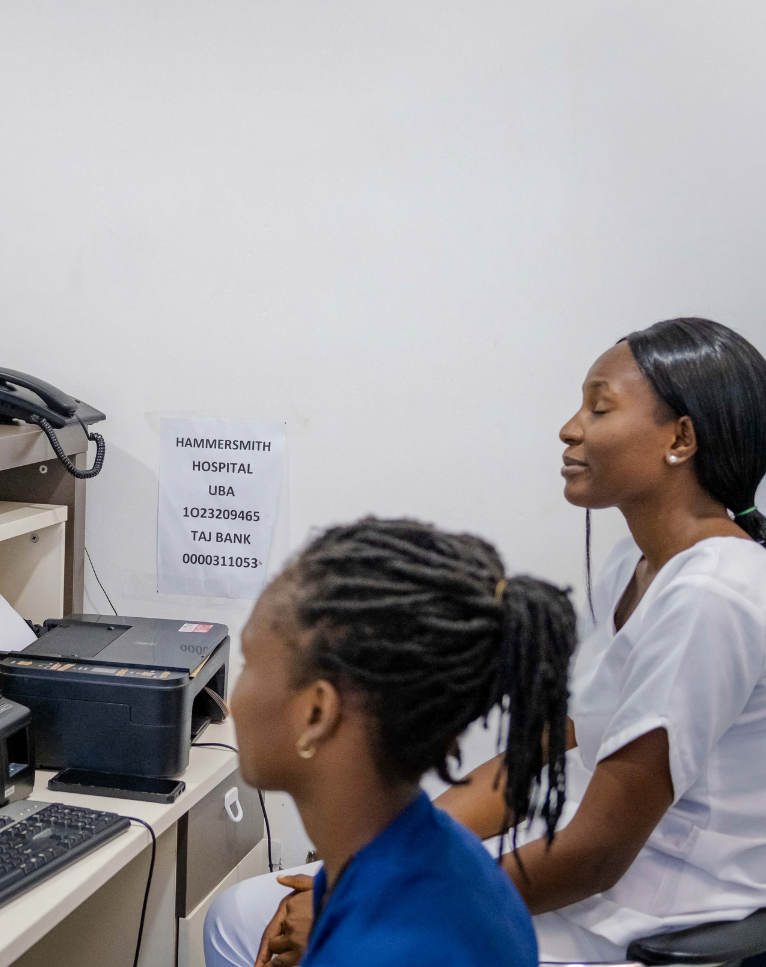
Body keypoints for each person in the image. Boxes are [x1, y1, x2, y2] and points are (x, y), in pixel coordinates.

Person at [207, 317, 766, 965]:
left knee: (260, 928)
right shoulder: (635, 567)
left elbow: (602, 850)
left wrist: (382, 898)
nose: (569, 427)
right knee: (241, 912)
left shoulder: (712, 595)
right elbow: (536, 758)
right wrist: (380, 860)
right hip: (585, 874)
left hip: (649, 918)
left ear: (681, 438)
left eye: (599, 406)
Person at [209, 516, 577, 966]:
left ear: (317, 713)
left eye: (247, 666)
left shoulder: (382, 949)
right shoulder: (433, 854)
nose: (231, 703)